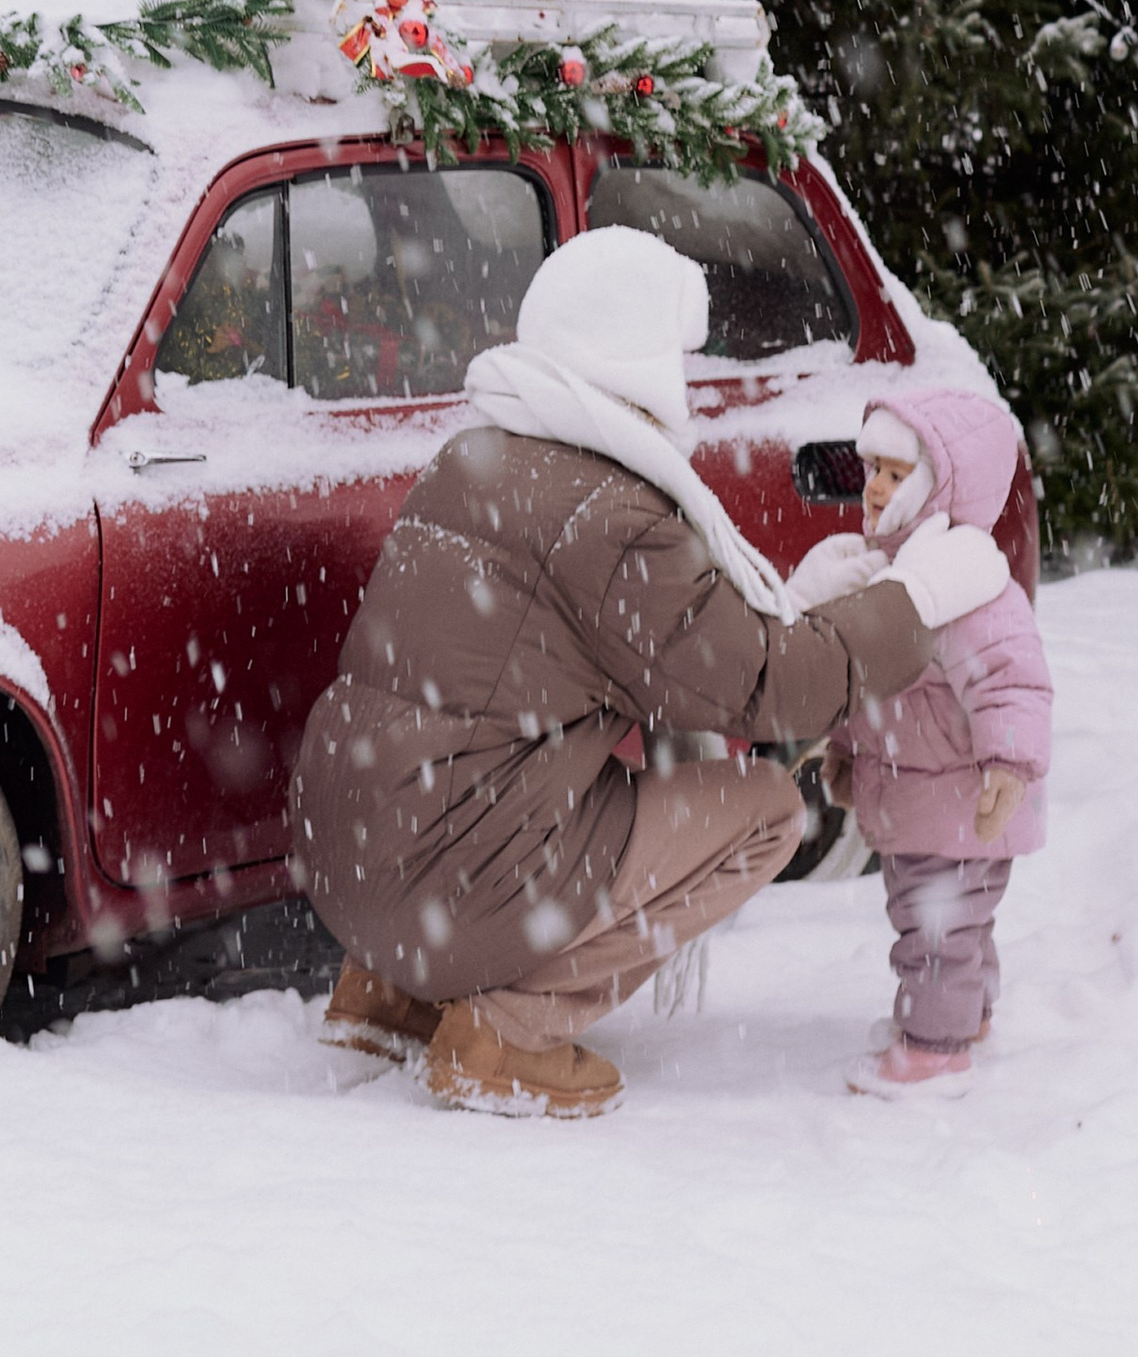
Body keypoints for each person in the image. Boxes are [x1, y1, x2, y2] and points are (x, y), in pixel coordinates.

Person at [287, 221, 1012, 1119]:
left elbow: (673, 651)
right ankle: (506, 1029)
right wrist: (913, 601)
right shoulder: (607, 514)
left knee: (540, 777)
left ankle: (391, 996)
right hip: (452, 873)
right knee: (765, 813)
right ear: (635, 359)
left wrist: (800, 601)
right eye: (676, 353)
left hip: (353, 862)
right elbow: (767, 689)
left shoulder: (475, 458)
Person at [793, 385, 1052, 1100]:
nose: (873, 487)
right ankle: (965, 1018)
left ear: (943, 488)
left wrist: (1009, 766)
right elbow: (872, 679)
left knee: (934, 928)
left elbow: (1012, 684)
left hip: (961, 804)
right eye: (871, 468)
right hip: (923, 797)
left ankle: (934, 1050)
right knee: (953, 922)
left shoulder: (962, 587)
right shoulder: (896, 580)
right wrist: (846, 747)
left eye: (895, 475)